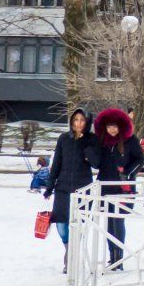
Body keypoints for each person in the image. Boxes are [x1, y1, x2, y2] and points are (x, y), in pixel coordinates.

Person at [86, 108, 144, 270]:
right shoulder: (102, 142)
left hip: (122, 189)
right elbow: (97, 163)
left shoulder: (130, 140)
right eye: (109, 126)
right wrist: (89, 151)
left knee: (117, 221)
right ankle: (113, 256)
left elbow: (140, 159)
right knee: (109, 224)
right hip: (105, 188)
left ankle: (118, 259)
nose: (112, 129)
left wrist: (127, 172)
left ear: (120, 127)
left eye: (115, 126)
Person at [44, 108, 94, 273]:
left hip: (82, 189)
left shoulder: (91, 140)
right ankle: (69, 249)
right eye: (76, 120)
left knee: (78, 224)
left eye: (82, 120)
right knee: (62, 226)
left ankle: (71, 258)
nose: (78, 123)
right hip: (63, 188)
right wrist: (50, 186)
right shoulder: (64, 138)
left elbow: (97, 162)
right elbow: (57, 163)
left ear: (86, 123)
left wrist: (87, 148)